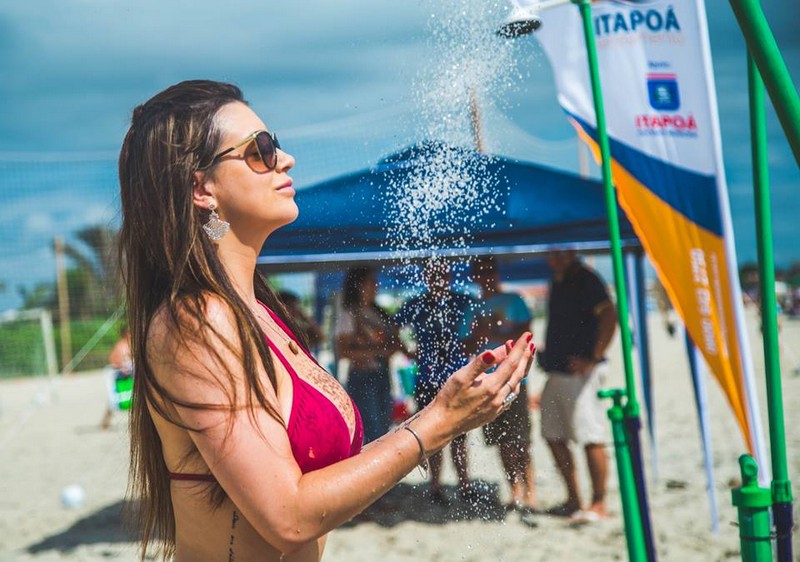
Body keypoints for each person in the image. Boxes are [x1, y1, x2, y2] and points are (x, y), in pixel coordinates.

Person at [118, 79, 535, 562]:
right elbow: (288, 517)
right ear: (201, 188)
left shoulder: (256, 313)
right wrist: (441, 421)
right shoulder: (198, 322)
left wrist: (445, 411)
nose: (285, 158)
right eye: (261, 149)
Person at [539, 250, 616, 523]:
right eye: (552, 253)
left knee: (590, 435)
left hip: (580, 371)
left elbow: (610, 315)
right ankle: (574, 499)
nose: (554, 257)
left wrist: (593, 358)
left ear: (572, 253)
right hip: (559, 370)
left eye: (560, 252)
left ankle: (598, 503)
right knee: (552, 434)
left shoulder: (585, 278)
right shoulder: (558, 280)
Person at [394, 259, 476, 504]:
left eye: (442, 275)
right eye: (434, 276)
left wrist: (470, 345)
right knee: (432, 435)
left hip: (456, 378)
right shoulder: (417, 303)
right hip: (428, 379)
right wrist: (408, 351)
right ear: (426, 278)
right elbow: (392, 327)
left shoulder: (461, 301)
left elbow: (479, 327)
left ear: (448, 277)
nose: (439, 280)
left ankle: (464, 483)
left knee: (460, 435)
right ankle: (436, 486)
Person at [466, 256, 538, 522]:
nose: (485, 277)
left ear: (495, 274)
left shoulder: (514, 300)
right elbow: (467, 344)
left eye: (489, 272)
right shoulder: (473, 307)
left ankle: (530, 491)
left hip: (516, 380)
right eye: (480, 273)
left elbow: (526, 336)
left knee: (521, 439)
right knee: (502, 441)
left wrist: (488, 333)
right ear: (475, 277)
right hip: (487, 383)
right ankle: (515, 490)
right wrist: (489, 334)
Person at [334, 267, 398, 444]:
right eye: (371, 281)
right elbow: (343, 351)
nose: (376, 285)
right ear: (359, 285)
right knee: (372, 431)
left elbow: (394, 342)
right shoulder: (349, 314)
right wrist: (377, 352)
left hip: (381, 374)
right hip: (362, 376)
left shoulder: (380, 312)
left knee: (384, 427)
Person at [100, 325, 133, 429]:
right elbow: (113, 360)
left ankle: (105, 423)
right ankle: (105, 422)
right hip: (116, 374)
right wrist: (123, 367)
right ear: (125, 334)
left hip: (125, 373)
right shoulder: (121, 345)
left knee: (125, 399)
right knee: (114, 400)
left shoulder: (129, 344)